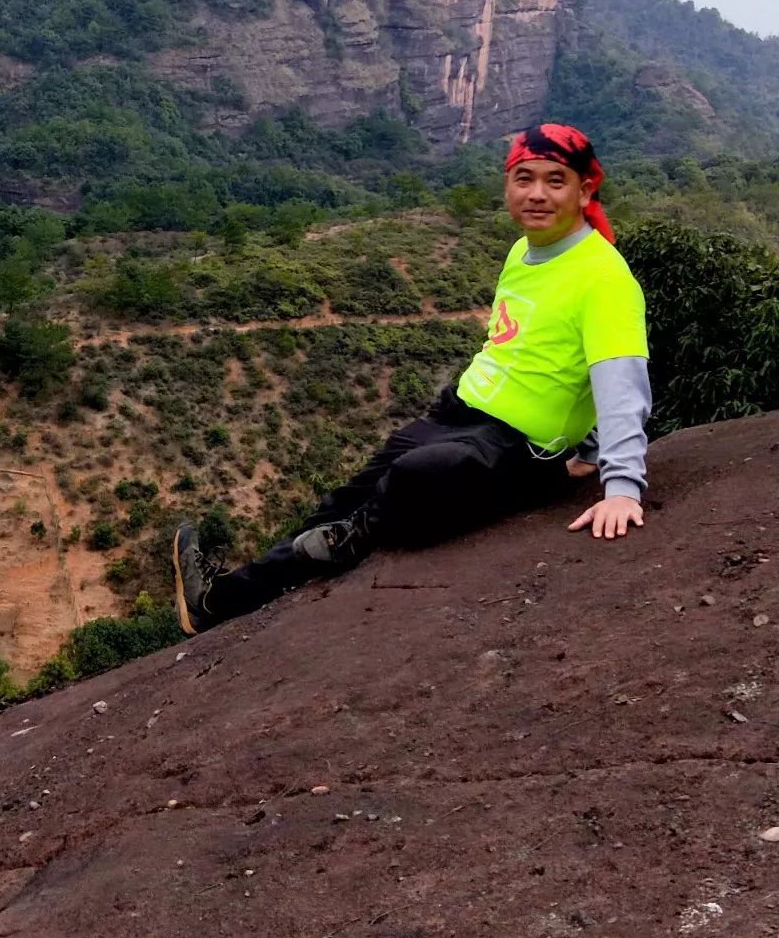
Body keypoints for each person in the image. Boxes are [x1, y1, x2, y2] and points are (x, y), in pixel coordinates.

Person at [173, 123, 650, 635]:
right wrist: (589, 447)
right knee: (345, 494)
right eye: (524, 178)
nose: (537, 193)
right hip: (460, 415)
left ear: (584, 190)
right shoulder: (522, 253)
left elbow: (621, 381)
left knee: (419, 474)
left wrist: (619, 482)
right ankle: (221, 602)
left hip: (518, 448)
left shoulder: (603, 278)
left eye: (556, 180)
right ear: (507, 185)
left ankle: (350, 538)